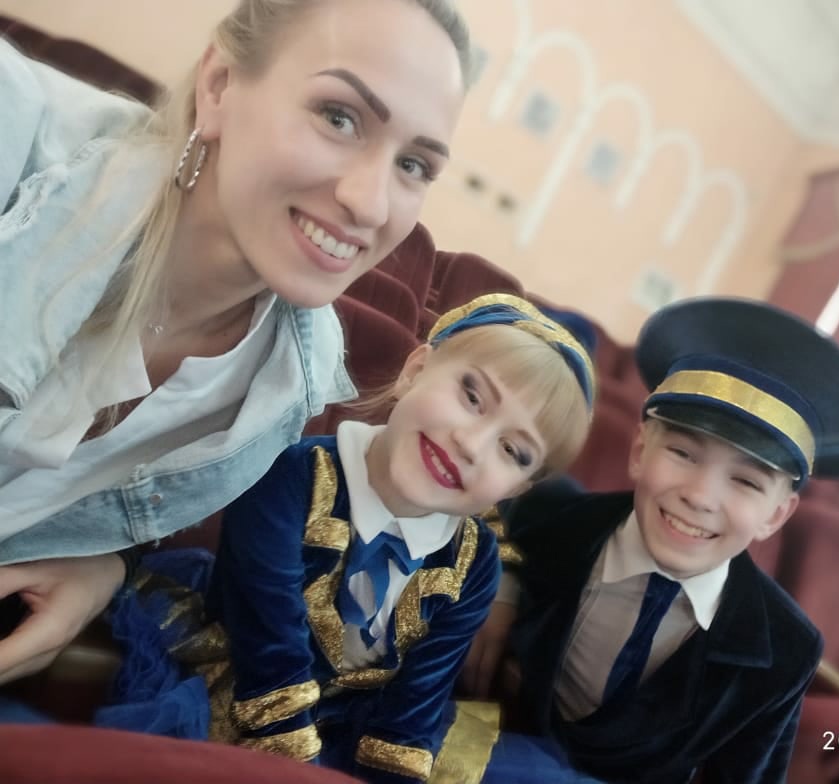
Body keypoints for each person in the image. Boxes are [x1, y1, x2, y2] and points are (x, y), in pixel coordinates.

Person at [0, 0, 471, 686]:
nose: (370, 204)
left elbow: (106, 501)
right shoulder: (15, 132)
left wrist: (104, 565)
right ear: (219, 86)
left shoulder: (287, 388)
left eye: (415, 164)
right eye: (338, 116)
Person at [95, 293, 596, 784]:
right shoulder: (291, 472)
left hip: (357, 720)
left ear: (517, 489)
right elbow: (270, 649)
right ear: (416, 369)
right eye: (471, 396)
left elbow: (414, 707)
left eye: (513, 451)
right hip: (247, 687)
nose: (470, 444)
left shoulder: (476, 560)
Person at [460, 297, 839, 784]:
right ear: (640, 450)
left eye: (746, 482)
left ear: (776, 515)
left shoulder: (784, 649)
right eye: (683, 453)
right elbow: (486, 511)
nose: (699, 496)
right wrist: (502, 582)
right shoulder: (550, 518)